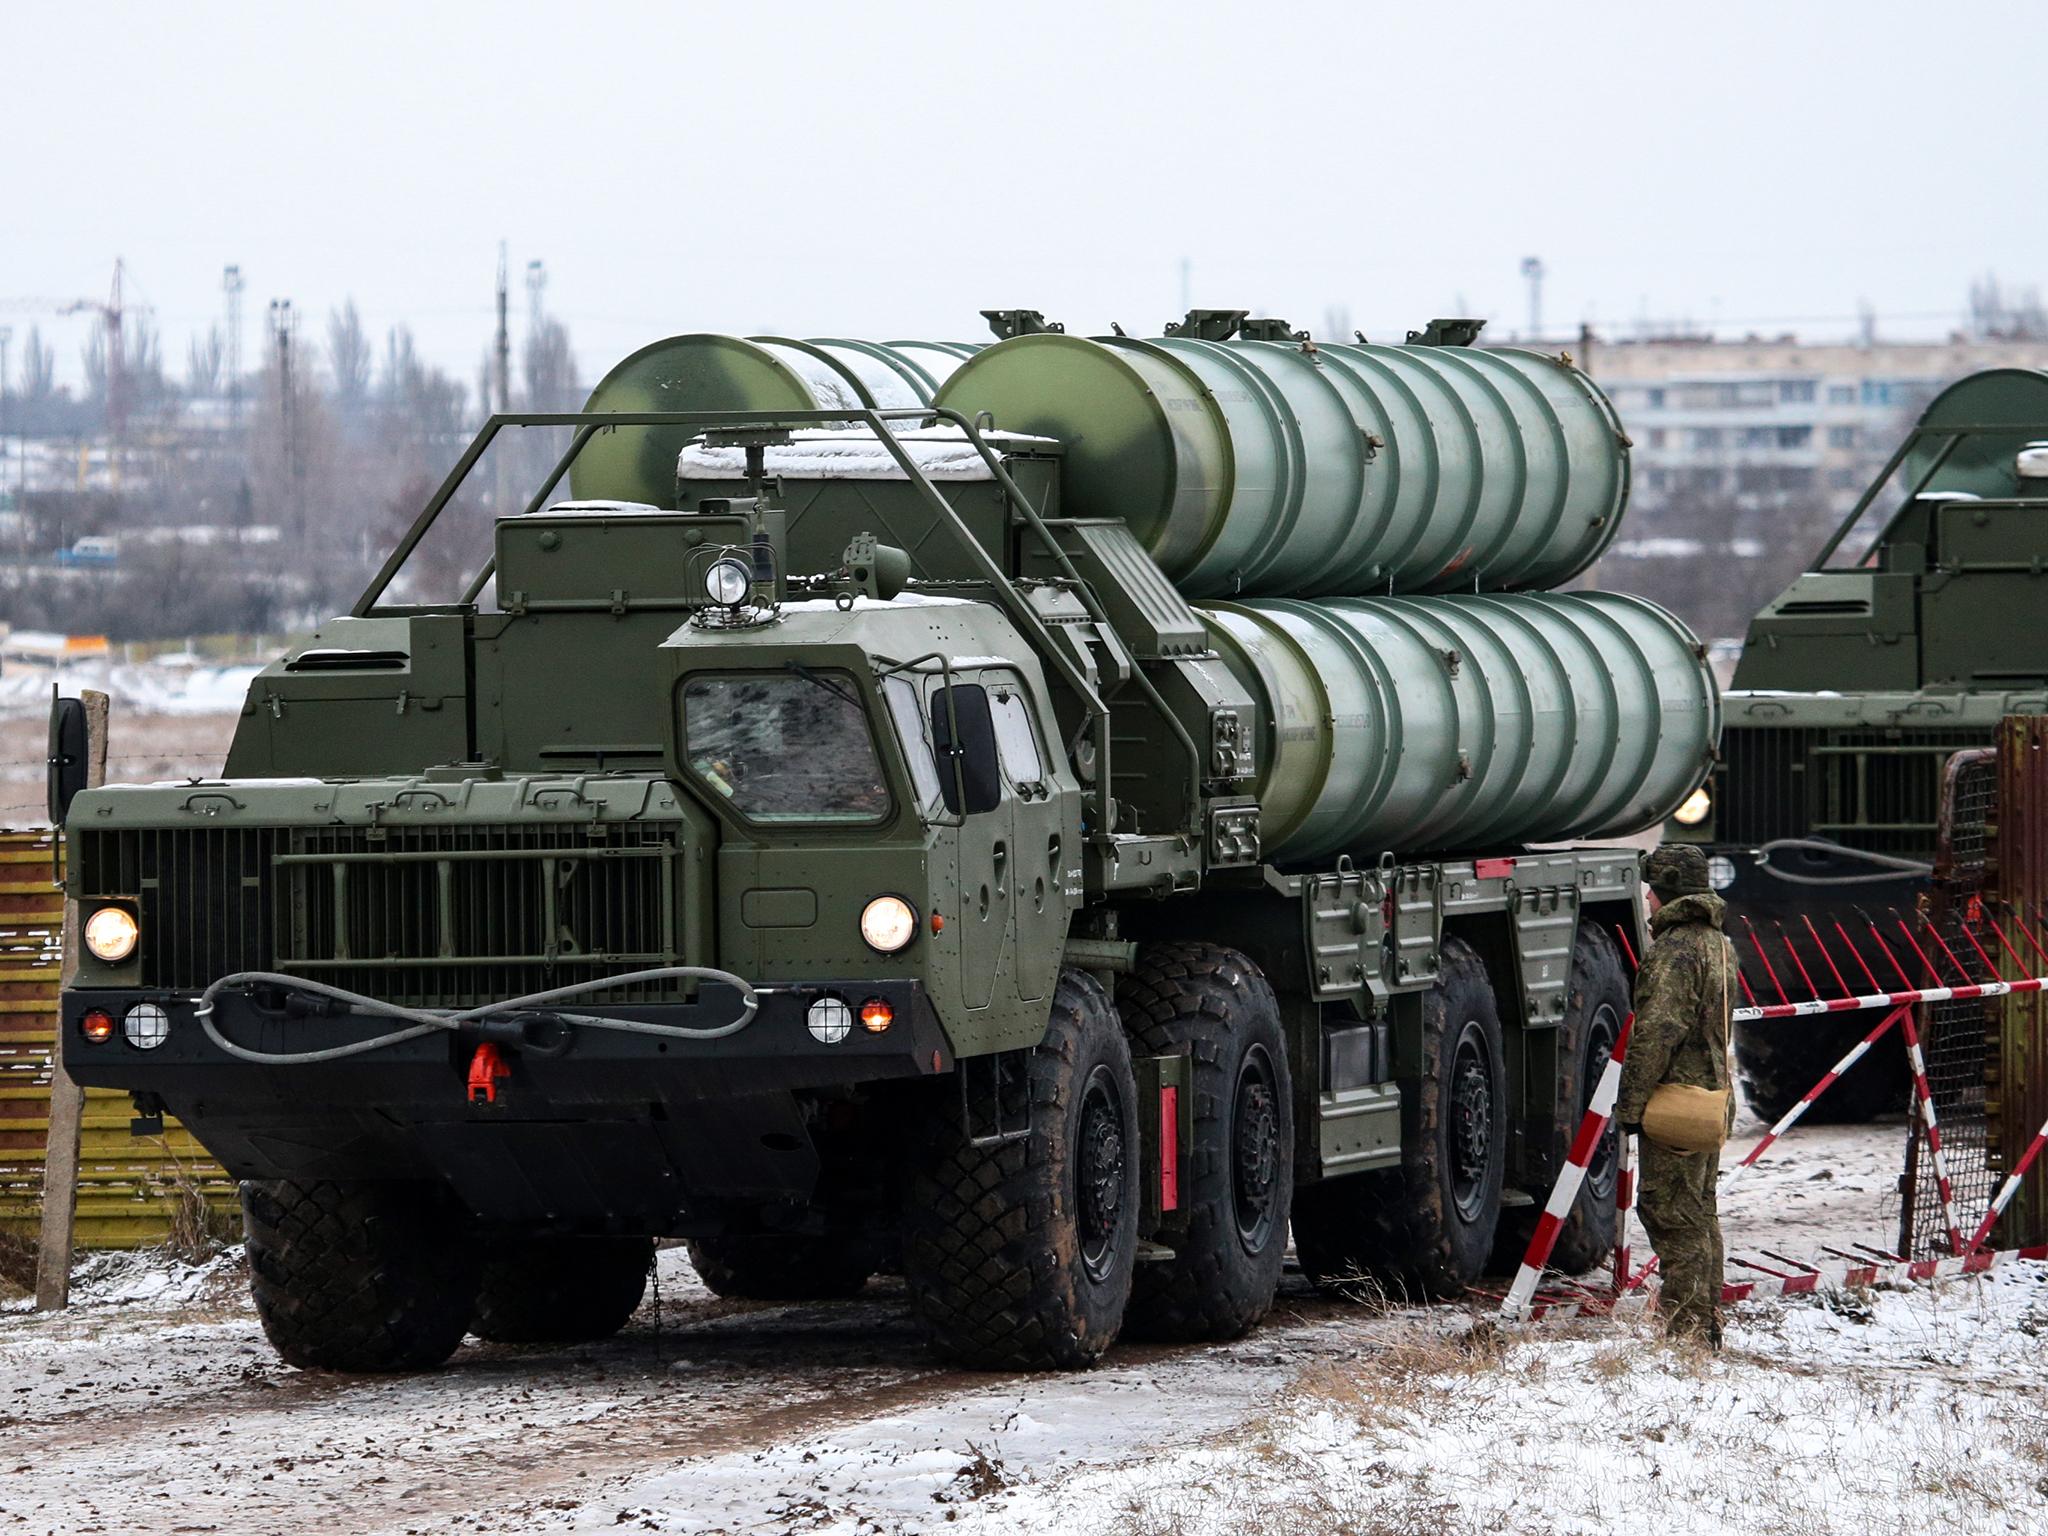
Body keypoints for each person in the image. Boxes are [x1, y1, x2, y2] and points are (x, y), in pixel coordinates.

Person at [1616, 843, 1737, 1347]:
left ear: (1663, 888)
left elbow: (1657, 1032)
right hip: (1710, 1095)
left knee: (1671, 1211)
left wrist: (1631, 1105)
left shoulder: (1674, 950)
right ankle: (1705, 1324)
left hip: (1677, 1100)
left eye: (1650, 889)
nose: (1645, 900)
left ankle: (1687, 1332)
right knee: (1700, 1209)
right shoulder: (1718, 943)